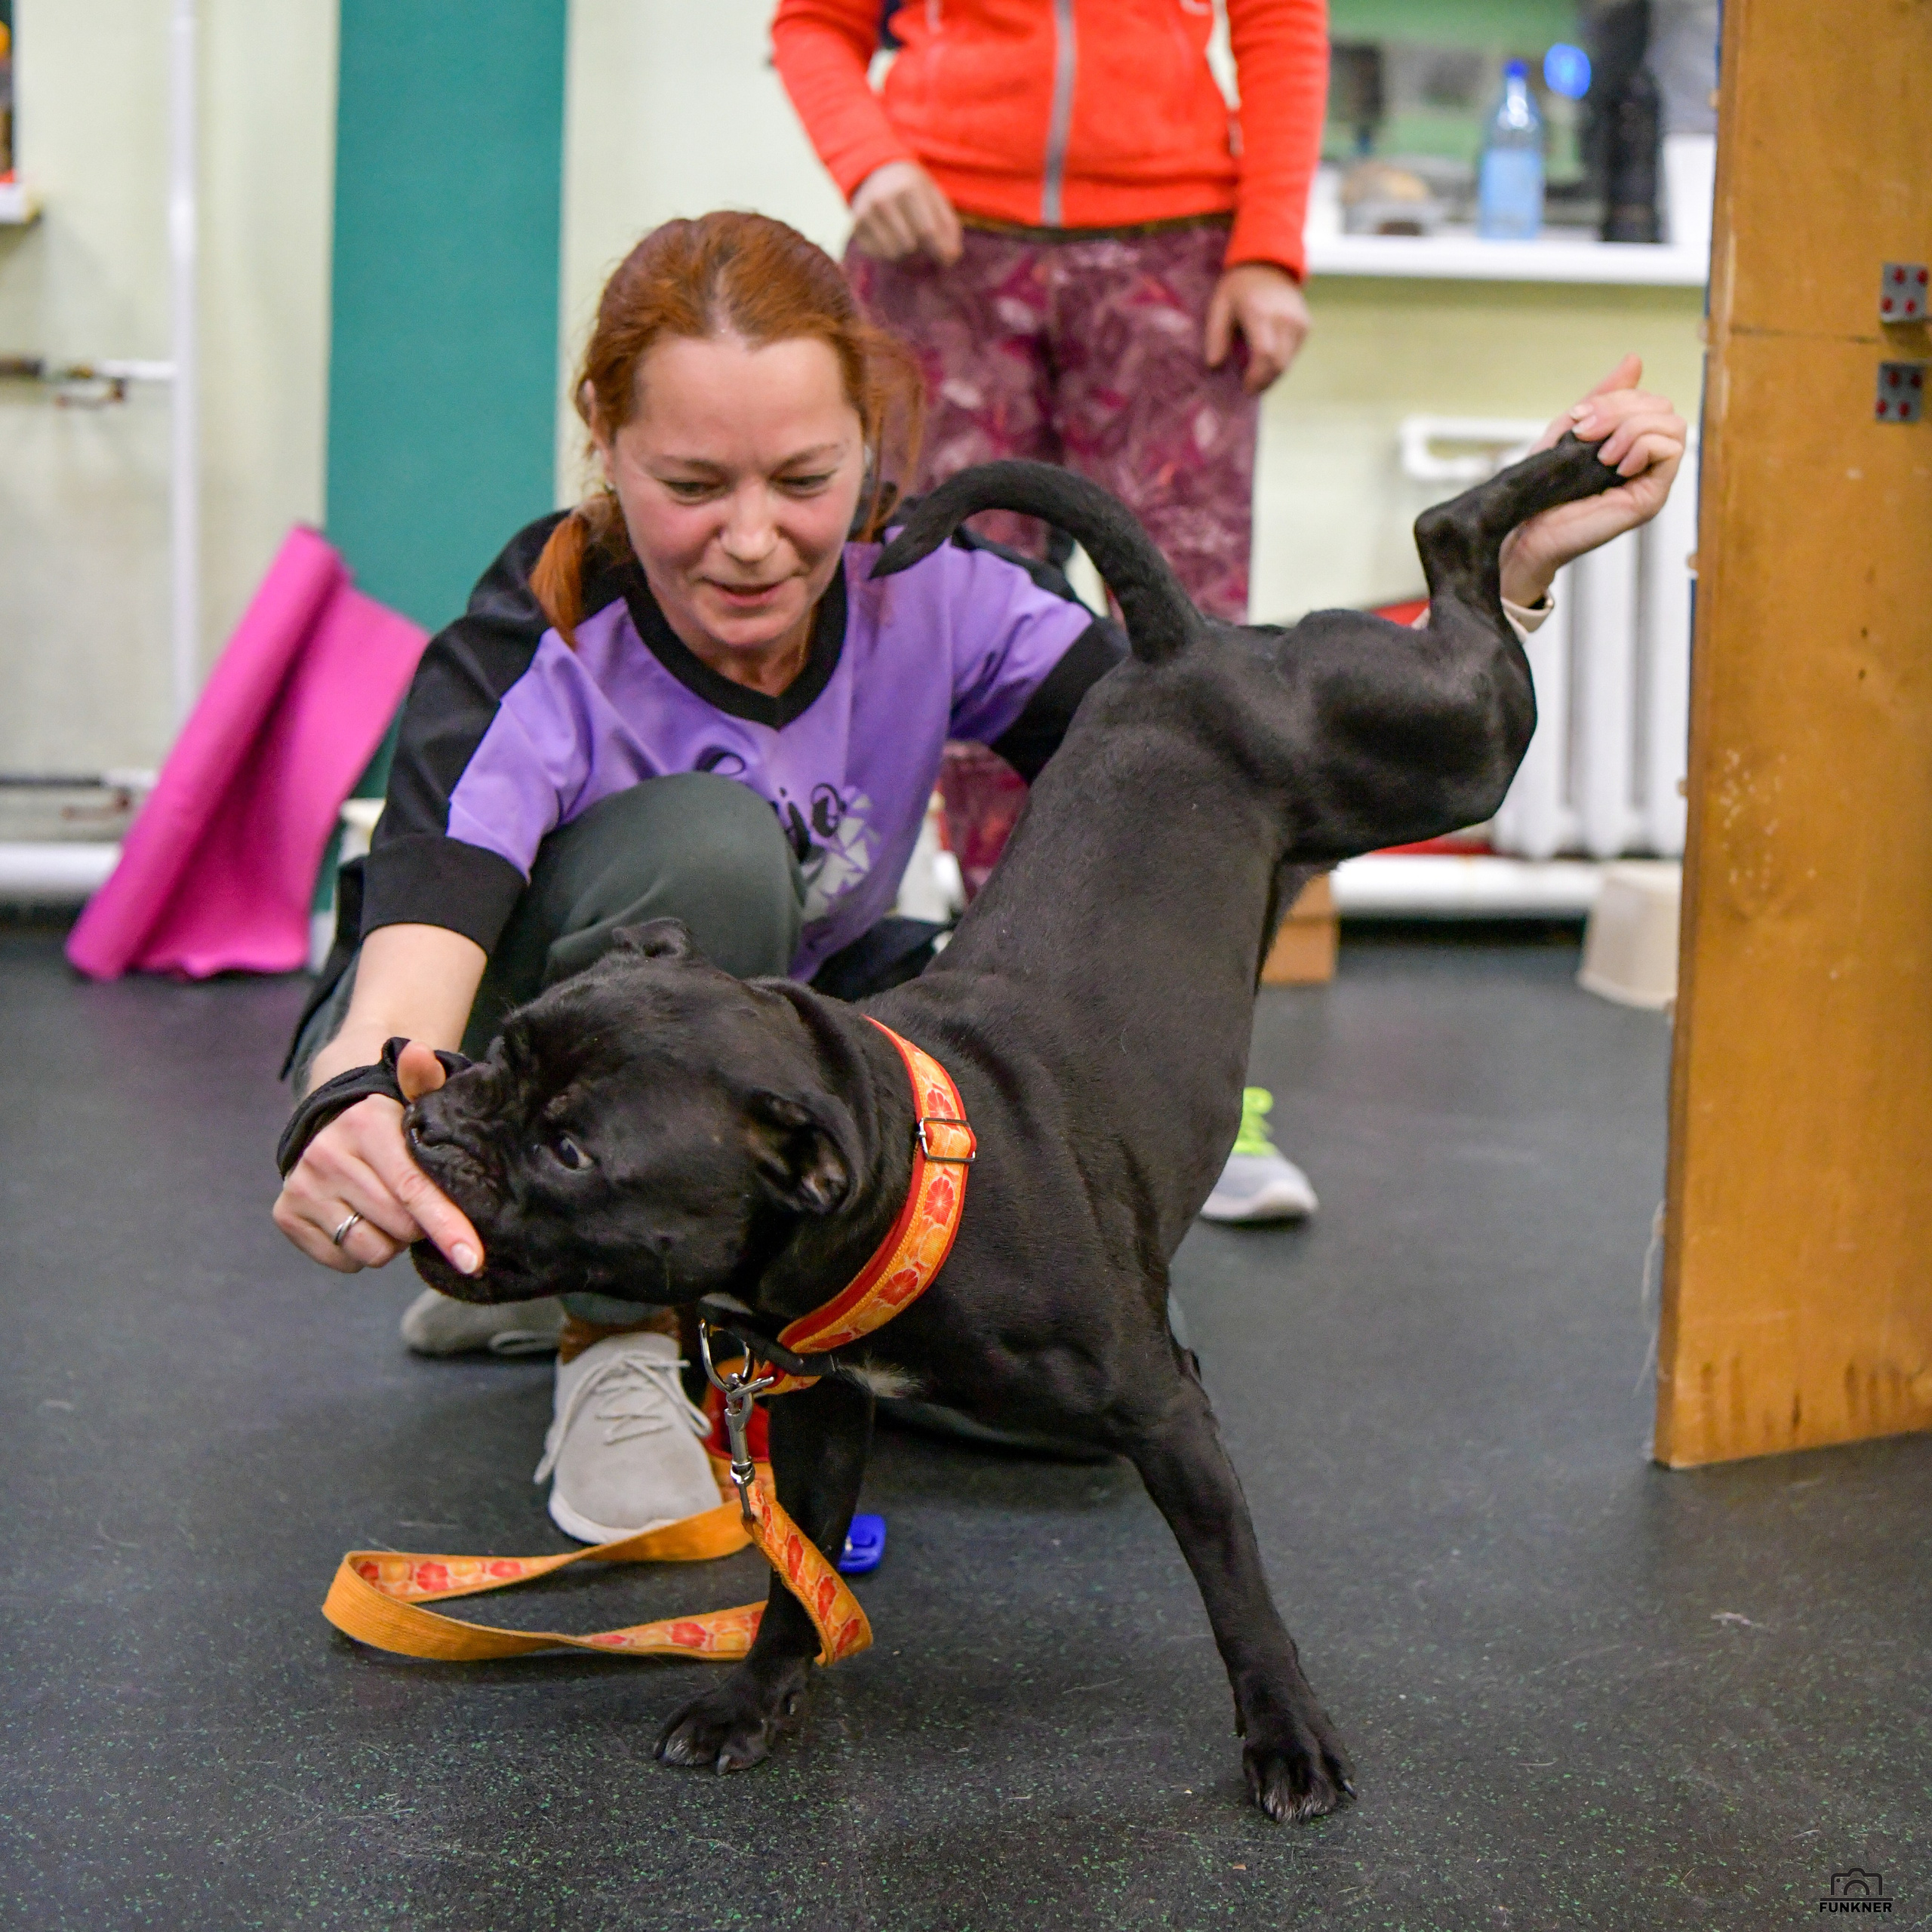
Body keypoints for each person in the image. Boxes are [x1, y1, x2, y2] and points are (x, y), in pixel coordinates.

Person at [272, 210, 1685, 1543]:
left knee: (1072, 1374)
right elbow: (427, 911)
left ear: (870, 446)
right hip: (516, 1050)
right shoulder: (549, 623)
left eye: (806, 480)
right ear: (605, 445)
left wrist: (1497, 583)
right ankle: (617, 1350)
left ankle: (541, 1282)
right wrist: (358, 1098)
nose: (753, 538)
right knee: (711, 849)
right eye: (692, 486)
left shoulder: (931, 588)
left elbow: (1221, 718)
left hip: (764, 1061)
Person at [772, 0, 1331, 1218]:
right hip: (943, 252)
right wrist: (870, 160)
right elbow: (812, 26)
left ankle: (1207, 1095)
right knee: (952, 637)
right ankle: (1004, 1071)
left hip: (1177, 250)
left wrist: (1270, 245)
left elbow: (1284, 24)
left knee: (1198, 669)